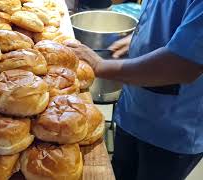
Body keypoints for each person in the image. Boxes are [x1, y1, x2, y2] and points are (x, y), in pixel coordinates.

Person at [64, 0, 203, 180]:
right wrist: (139, 38)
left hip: (170, 132)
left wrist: (99, 66)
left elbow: (183, 65)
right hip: (133, 112)